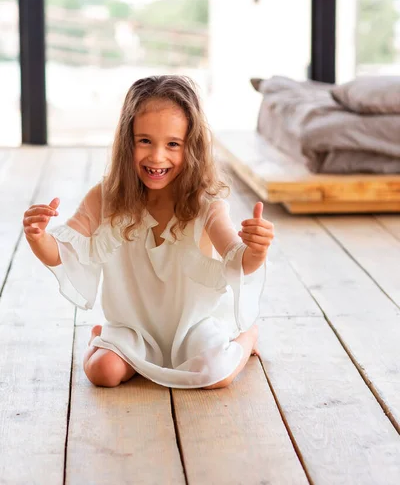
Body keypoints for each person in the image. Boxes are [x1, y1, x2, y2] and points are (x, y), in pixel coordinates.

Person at [23, 75, 274, 390]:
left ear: (192, 147)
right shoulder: (105, 197)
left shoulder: (206, 204)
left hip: (190, 328)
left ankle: (247, 337)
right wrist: (38, 237)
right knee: (103, 373)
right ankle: (102, 339)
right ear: (127, 141)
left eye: (172, 144)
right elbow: (64, 252)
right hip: (132, 327)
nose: (157, 156)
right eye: (144, 141)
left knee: (216, 375)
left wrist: (257, 251)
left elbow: (238, 261)